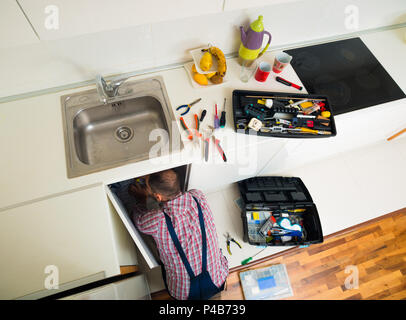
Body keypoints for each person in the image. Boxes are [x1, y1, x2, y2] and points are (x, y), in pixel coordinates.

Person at [129, 169, 229, 300]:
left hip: (185, 294)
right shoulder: (198, 197)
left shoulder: (157, 220)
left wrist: (142, 198)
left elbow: (137, 219)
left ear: (157, 197)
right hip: (217, 281)